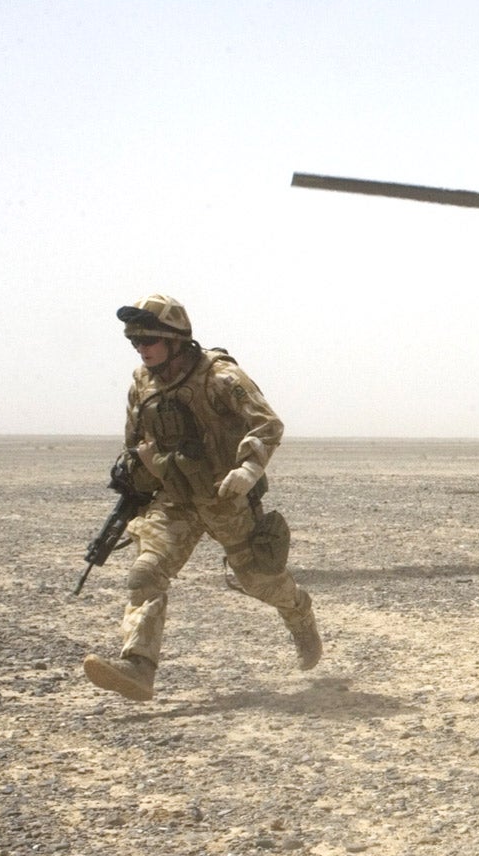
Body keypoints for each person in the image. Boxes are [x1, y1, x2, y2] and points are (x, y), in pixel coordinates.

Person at [81, 294, 321, 702]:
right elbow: (133, 442)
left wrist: (247, 469)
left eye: (149, 341)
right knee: (145, 572)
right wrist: (137, 474)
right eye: (135, 342)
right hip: (175, 498)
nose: (142, 349)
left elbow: (267, 424)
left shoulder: (219, 375)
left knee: (259, 581)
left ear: (175, 339)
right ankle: (138, 667)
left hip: (224, 497)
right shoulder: (142, 382)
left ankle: (298, 611)